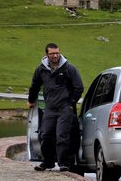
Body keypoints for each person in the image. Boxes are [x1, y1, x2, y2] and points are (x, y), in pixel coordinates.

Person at [27, 43, 84, 172]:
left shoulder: (69, 68)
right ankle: (48, 162)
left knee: (62, 136)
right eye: (52, 53)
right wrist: (31, 100)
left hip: (65, 107)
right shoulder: (41, 70)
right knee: (45, 134)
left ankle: (64, 163)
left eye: (57, 53)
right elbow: (34, 85)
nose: (55, 56)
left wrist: (71, 104)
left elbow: (79, 87)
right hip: (50, 108)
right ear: (47, 54)